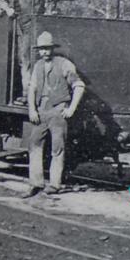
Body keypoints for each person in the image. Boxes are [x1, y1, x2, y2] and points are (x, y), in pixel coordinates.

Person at [25, 31, 86, 197]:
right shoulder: (37, 66)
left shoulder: (64, 64)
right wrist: (32, 109)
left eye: (47, 48)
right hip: (41, 111)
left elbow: (79, 86)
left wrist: (71, 109)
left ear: (52, 49)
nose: (44, 52)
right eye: (41, 49)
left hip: (58, 111)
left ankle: (54, 184)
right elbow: (32, 88)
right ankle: (36, 183)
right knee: (34, 146)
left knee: (57, 149)